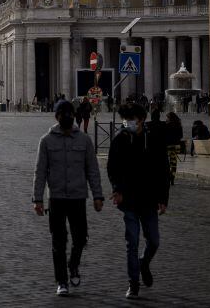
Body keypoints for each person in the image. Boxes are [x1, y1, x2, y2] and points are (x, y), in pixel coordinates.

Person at [33, 100, 105, 296]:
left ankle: (73, 264)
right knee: (58, 241)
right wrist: (37, 199)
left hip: (77, 196)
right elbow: (40, 172)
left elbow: (92, 170)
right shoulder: (46, 141)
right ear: (56, 117)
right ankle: (62, 281)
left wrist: (98, 195)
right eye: (63, 114)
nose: (67, 117)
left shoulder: (84, 140)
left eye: (69, 114)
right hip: (56, 197)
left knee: (80, 238)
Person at [107, 102, 171, 300]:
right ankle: (133, 283)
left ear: (141, 119)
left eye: (131, 119)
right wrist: (117, 190)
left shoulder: (153, 139)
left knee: (154, 240)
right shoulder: (120, 139)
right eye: (125, 119)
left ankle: (144, 263)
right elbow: (112, 167)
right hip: (128, 199)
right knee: (132, 242)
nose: (128, 123)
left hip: (149, 198)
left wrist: (163, 198)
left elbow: (163, 169)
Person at [163, 112, 184, 185]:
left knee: (166, 163)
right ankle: (172, 177)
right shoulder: (178, 125)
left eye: (167, 117)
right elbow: (181, 136)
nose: (166, 119)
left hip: (168, 145)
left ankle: (167, 177)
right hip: (176, 146)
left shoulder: (166, 125)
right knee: (173, 163)